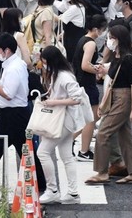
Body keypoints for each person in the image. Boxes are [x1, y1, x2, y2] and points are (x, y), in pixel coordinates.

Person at [87, 25, 132, 184]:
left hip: (122, 98)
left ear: (119, 39)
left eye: (112, 38)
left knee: (103, 133)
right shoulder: (117, 56)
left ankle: (102, 172)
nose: (109, 41)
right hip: (117, 97)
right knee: (125, 136)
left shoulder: (127, 58)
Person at [36, 46, 88, 205]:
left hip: (63, 120)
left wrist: (54, 102)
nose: (43, 65)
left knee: (43, 152)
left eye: (44, 62)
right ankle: (72, 193)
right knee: (66, 156)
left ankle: (52, 190)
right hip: (65, 120)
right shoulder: (58, 74)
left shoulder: (64, 77)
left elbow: (77, 98)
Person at [0, 33, 31, 172]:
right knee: (25, 150)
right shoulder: (16, 63)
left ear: (7, 50)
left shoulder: (13, 68)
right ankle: (39, 181)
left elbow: (8, 94)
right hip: (17, 113)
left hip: (12, 114)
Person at [73, 14, 107, 162]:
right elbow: (85, 65)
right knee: (91, 118)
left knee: (91, 116)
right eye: (102, 30)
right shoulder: (91, 43)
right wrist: (99, 70)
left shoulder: (82, 39)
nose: (103, 33)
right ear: (95, 29)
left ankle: (71, 140)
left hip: (83, 82)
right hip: (87, 83)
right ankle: (84, 151)